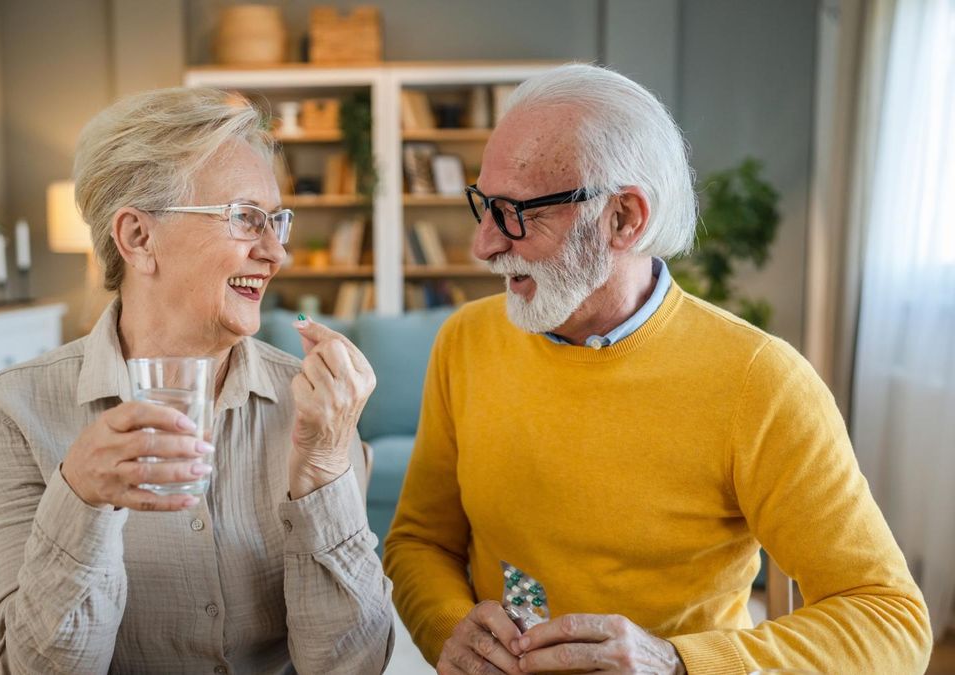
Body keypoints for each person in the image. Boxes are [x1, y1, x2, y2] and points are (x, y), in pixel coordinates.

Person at [383, 63, 932, 675]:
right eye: (484, 205)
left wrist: (676, 664)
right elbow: (419, 542)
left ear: (624, 217)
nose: (483, 244)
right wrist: (447, 628)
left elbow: (890, 621)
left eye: (516, 213)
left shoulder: (761, 380)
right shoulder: (465, 340)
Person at [0, 87, 393, 674]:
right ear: (138, 238)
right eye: (247, 219)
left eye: (278, 222)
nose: (277, 254)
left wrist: (323, 465)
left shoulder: (315, 403)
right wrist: (80, 499)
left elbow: (351, 666)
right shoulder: (15, 408)